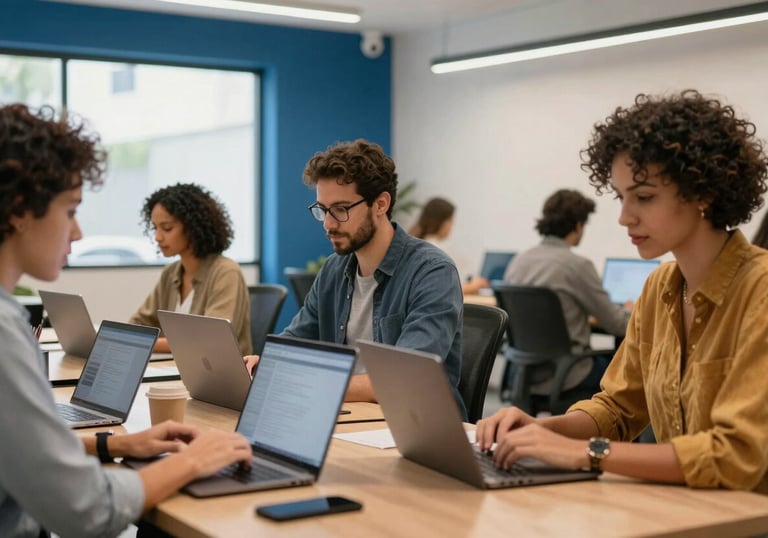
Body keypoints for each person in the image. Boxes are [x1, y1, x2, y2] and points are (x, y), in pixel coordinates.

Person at [477, 90, 768, 493]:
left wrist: (587, 452)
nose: (624, 217)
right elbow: (617, 408)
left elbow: (733, 456)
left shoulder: (759, 291)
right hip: (685, 509)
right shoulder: (660, 287)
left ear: (704, 193)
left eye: (644, 197)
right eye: (621, 197)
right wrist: (543, 430)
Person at [0, 103, 252, 537]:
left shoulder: (223, 271)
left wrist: (114, 443)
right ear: (20, 208)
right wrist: (193, 460)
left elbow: (18, 450)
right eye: (71, 210)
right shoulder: (5, 332)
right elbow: (88, 509)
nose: (78, 233)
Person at [245, 139, 467, 419]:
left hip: (416, 424)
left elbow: (405, 378)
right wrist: (267, 364)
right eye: (323, 210)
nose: (328, 224)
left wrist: (313, 383)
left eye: (341, 209)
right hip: (347, 417)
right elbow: (294, 343)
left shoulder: (432, 272)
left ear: (380, 204)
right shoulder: (334, 269)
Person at [502, 189, 632, 401]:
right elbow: (617, 325)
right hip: (568, 376)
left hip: (522, 375)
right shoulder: (577, 266)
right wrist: (631, 311)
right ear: (579, 225)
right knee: (623, 371)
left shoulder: (518, 261)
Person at [130, 183, 252, 355]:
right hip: (173, 368)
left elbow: (211, 339)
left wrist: (146, 343)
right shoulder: (170, 273)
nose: (157, 237)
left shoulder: (226, 272)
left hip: (219, 371)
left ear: (193, 227)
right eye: (155, 228)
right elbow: (138, 324)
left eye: (167, 228)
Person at [409, 197, 490, 294]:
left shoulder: (415, 244)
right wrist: (472, 286)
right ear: (442, 222)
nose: (452, 226)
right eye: (451, 221)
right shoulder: (435, 250)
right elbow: (441, 291)